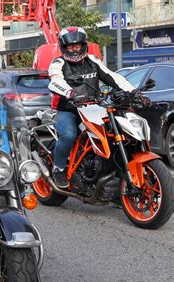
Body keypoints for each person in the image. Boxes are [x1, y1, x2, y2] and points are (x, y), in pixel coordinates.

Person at [48, 26, 135, 188]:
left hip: (94, 108)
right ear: (64, 47)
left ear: (83, 45)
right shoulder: (58, 63)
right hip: (69, 109)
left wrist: (132, 92)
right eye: (70, 46)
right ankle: (58, 169)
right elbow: (55, 81)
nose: (74, 49)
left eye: (77, 45)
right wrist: (70, 93)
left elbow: (112, 77)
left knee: (115, 133)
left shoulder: (93, 61)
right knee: (68, 135)